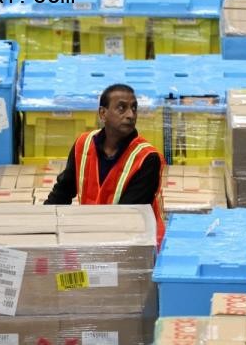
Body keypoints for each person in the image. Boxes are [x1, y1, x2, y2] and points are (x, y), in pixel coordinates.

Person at [45, 83, 166, 245]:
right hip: (94, 238)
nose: (131, 115)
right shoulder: (83, 144)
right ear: (103, 113)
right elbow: (62, 192)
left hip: (135, 244)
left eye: (134, 108)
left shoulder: (147, 158)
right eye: (121, 108)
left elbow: (128, 218)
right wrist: (42, 226)